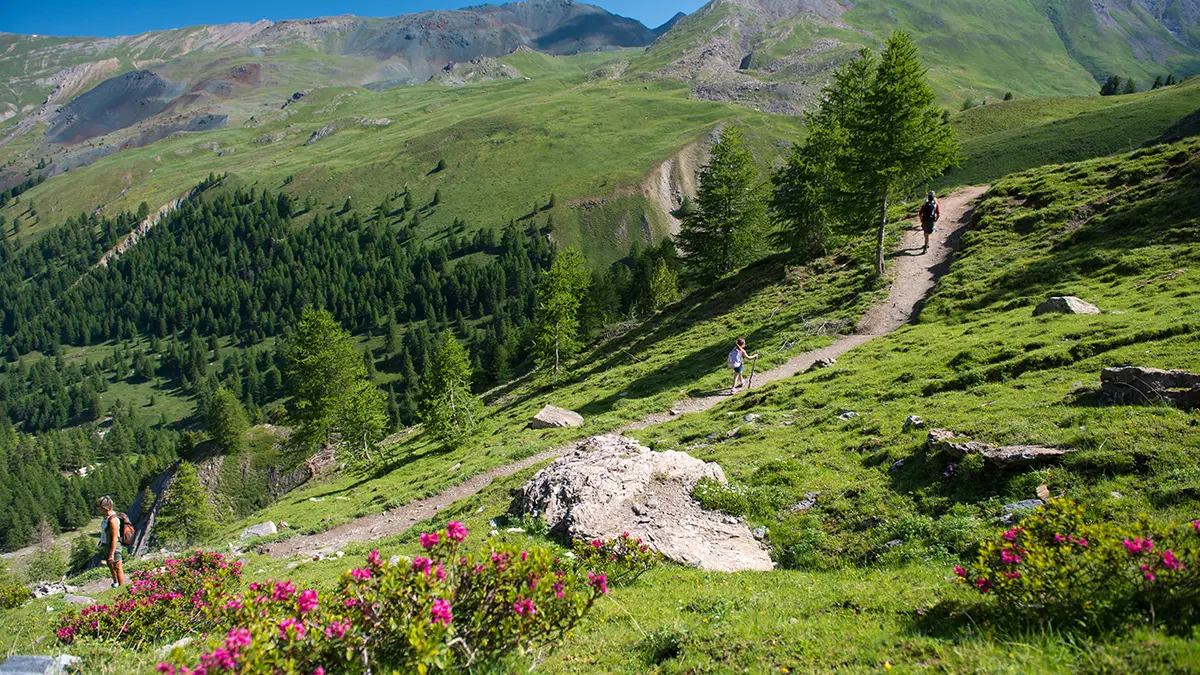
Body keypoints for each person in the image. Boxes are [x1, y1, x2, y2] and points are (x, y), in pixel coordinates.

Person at [97, 496, 126, 587]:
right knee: (110, 565)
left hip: (114, 545)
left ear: (104, 507)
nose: (99, 509)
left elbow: (114, 538)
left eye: (100, 507)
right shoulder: (106, 517)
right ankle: (115, 582)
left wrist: (111, 553)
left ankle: (121, 586)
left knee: (117, 566)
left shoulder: (113, 520)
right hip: (106, 544)